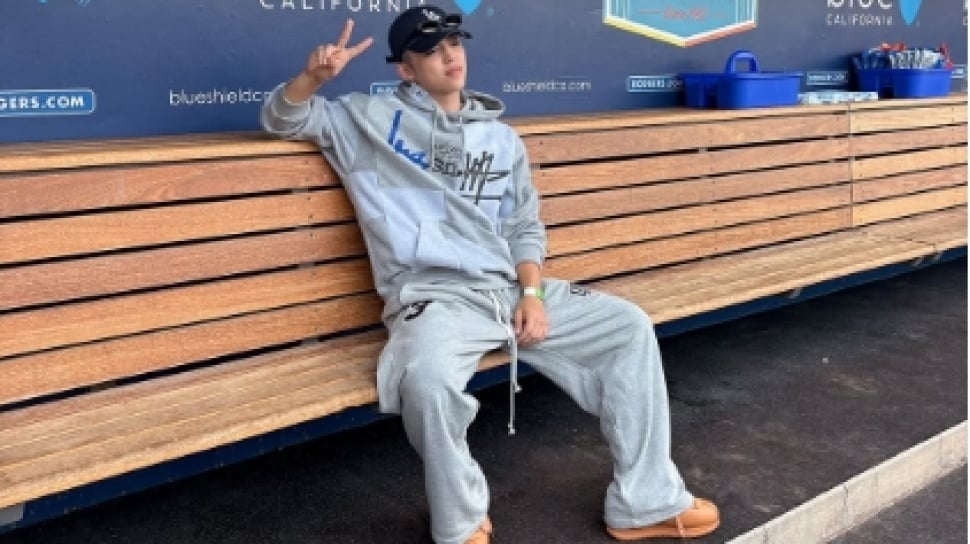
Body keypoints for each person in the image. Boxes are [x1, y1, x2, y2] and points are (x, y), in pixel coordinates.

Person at [261, 6, 719, 543]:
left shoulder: (501, 138)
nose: (449, 55)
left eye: (454, 43)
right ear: (405, 69)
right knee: (426, 382)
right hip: (435, 298)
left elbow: (523, 225)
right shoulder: (365, 121)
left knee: (628, 327)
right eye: (431, 50)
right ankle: (461, 520)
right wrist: (313, 78)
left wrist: (533, 293)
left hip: (507, 290)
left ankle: (645, 503)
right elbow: (283, 120)